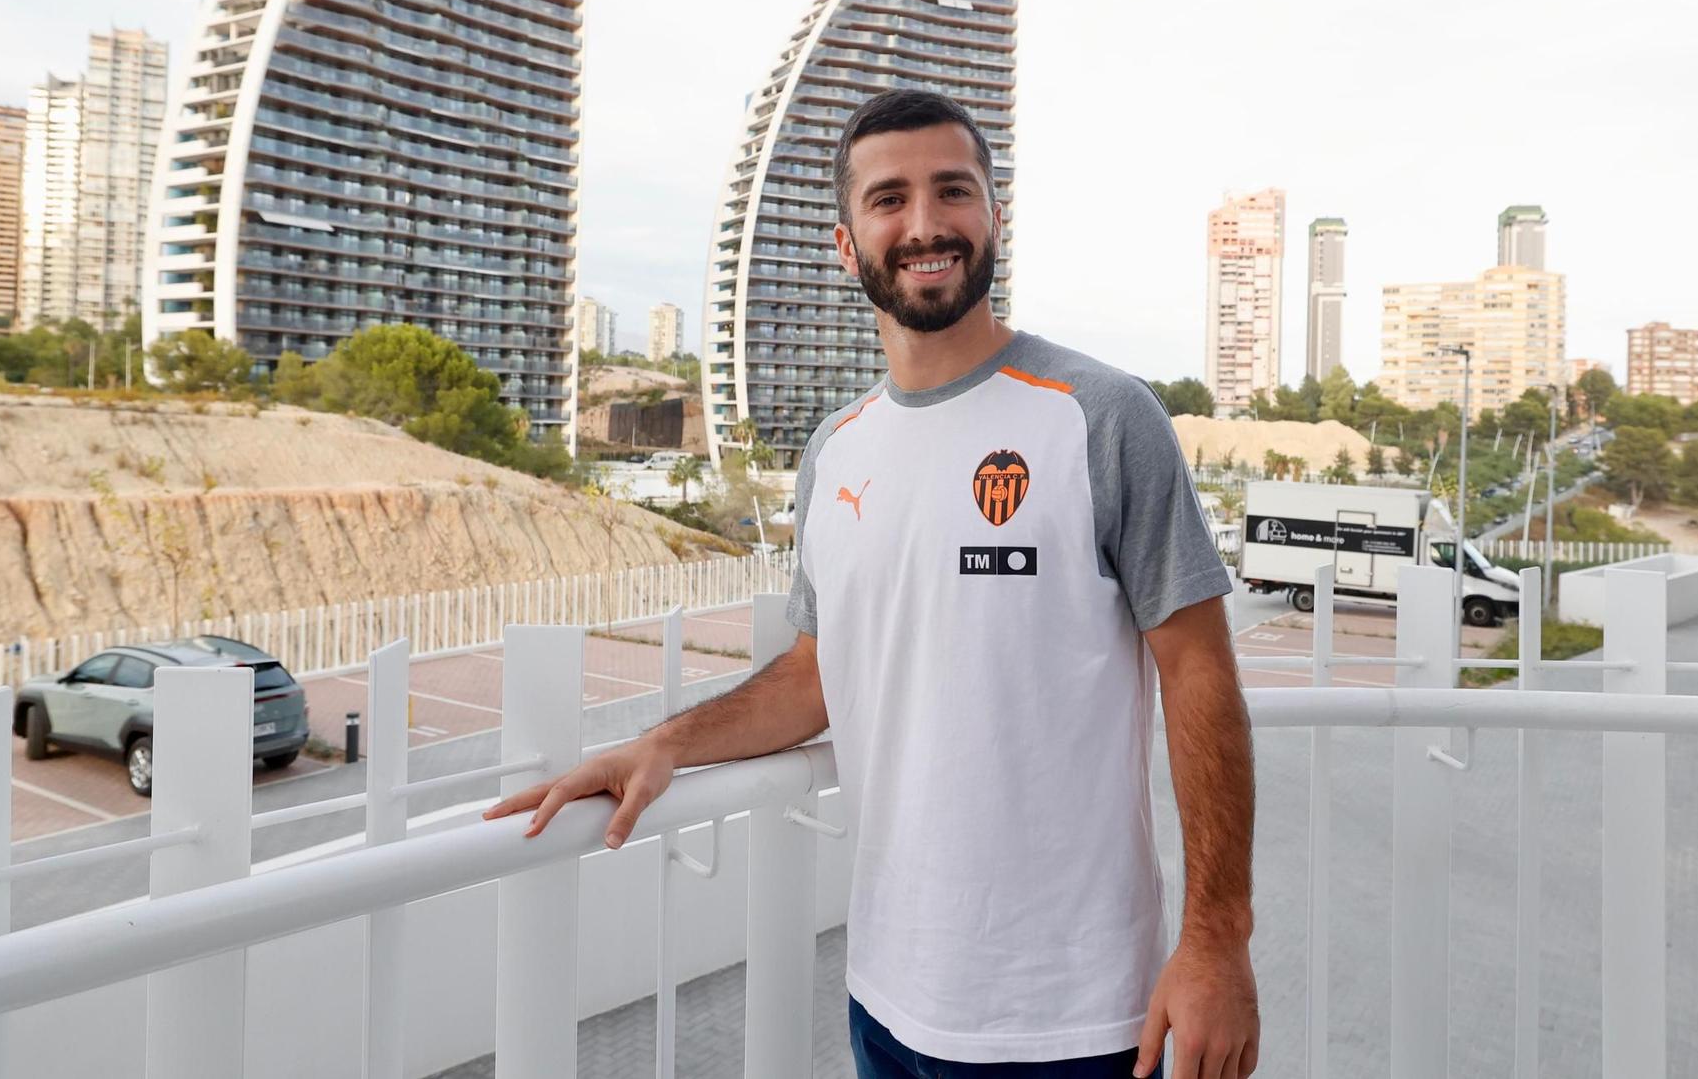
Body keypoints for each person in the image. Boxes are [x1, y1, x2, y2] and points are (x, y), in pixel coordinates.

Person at [486, 89, 1260, 1077]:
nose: (925, 223)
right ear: (846, 245)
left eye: (952, 191)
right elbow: (817, 675)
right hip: (886, 1000)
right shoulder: (835, 451)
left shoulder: (1101, 417)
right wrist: (662, 745)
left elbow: (1199, 674)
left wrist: (1215, 941)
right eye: (888, 199)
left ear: (991, 216)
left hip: (1073, 1017)